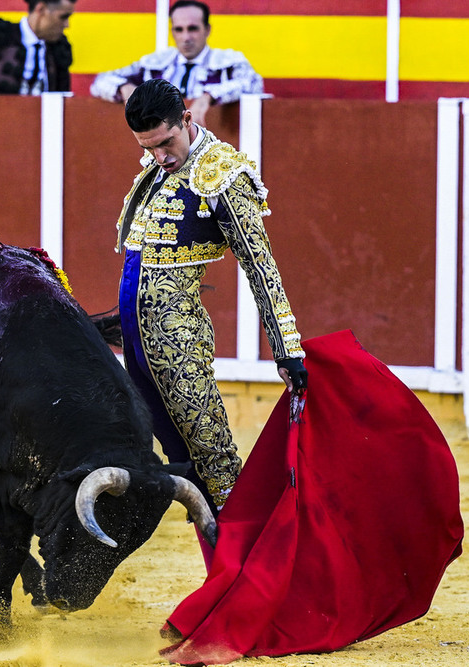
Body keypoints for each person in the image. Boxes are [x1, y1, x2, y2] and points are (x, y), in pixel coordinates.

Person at [115, 79, 306, 517]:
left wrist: (286, 349)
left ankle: (250, 576)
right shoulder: (154, 170)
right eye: (148, 147)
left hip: (179, 344)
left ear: (187, 118)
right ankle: (226, 573)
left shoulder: (222, 175)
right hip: (137, 346)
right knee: (185, 469)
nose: (160, 156)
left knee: (215, 463)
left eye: (166, 142)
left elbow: (261, 266)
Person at [90, 0, 262, 126]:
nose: (186, 38)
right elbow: (101, 81)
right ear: (172, 32)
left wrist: (208, 97)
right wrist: (125, 88)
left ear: (207, 30)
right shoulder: (154, 65)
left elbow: (253, 83)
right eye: (179, 30)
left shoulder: (228, 63)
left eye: (193, 28)